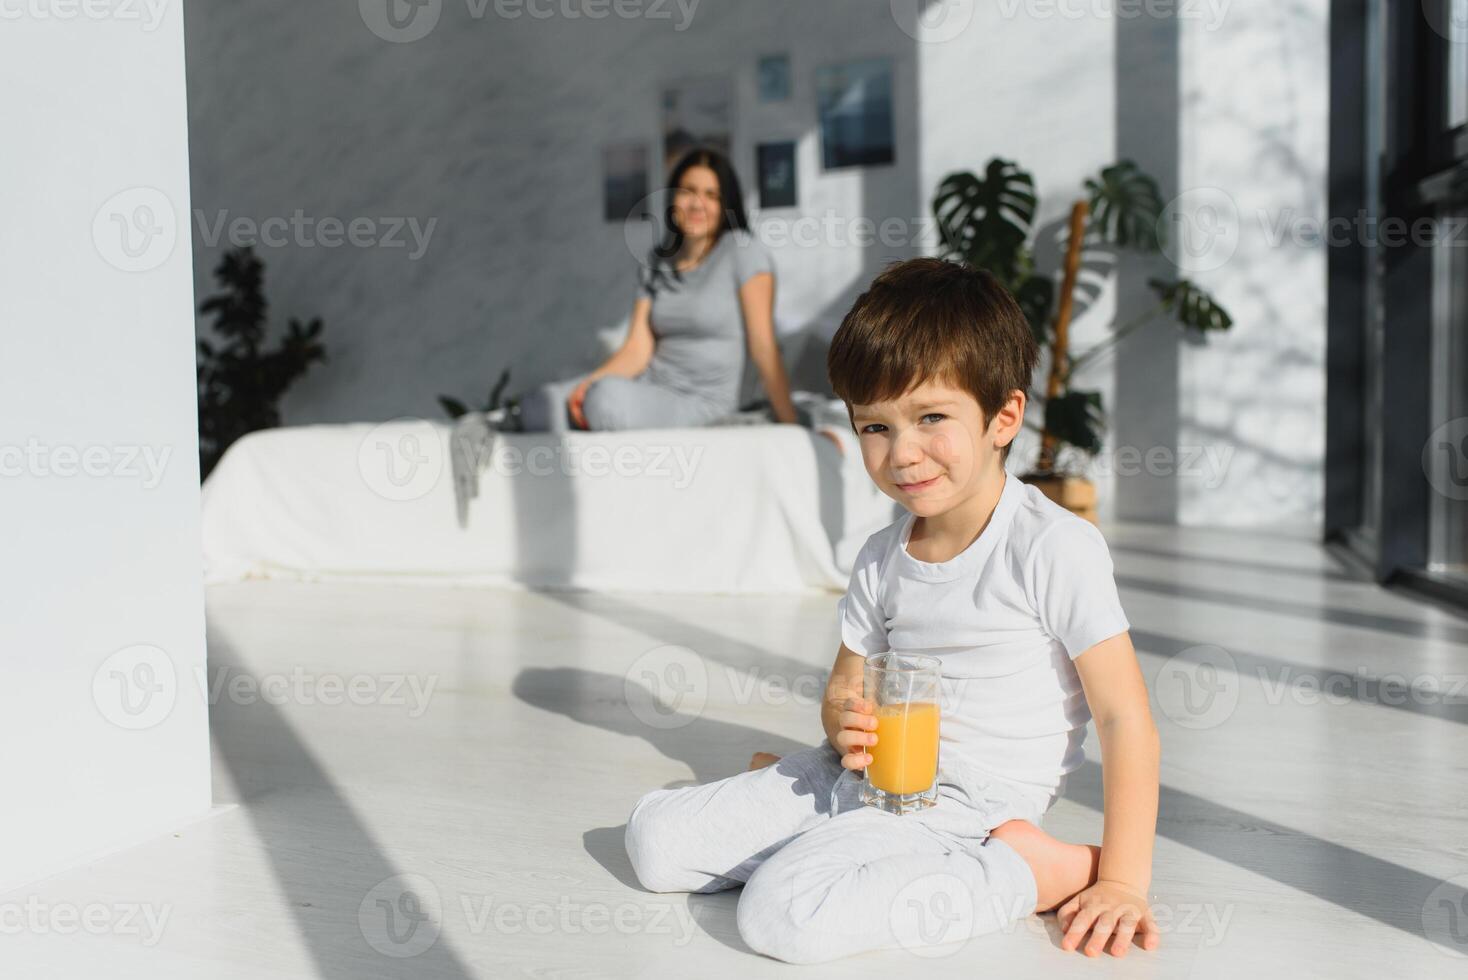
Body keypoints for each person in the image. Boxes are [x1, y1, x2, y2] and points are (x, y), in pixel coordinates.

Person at [622, 258, 1162, 963]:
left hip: (970, 804)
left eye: (931, 418)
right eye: (875, 427)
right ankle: (818, 824)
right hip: (868, 776)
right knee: (652, 843)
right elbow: (846, 684)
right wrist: (841, 724)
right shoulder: (883, 552)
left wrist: (1123, 879)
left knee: (784, 915)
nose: (902, 453)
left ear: (1004, 417)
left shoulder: (1052, 547)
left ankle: (1033, 869)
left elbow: (1126, 719)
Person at [514, 148, 799, 432]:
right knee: (539, 405)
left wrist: (793, 426)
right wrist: (588, 384)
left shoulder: (743, 251)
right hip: (650, 387)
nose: (697, 204)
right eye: (689, 190)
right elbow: (638, 349)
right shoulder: (656, 261)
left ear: (726, 205)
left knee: (604, 401)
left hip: (702, 401)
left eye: (712, 195)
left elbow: (764, 348)